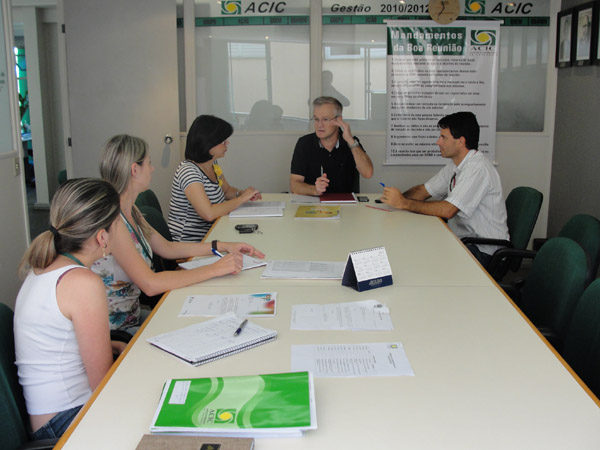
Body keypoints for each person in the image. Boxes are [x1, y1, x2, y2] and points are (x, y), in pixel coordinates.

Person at [95, 134, 264, 334]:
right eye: (149, 163)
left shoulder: (131, 210)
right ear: (134, 170)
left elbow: (166, 247)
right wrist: (214, 269)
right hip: (116, 331)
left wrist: (222, 246)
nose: (152, 169)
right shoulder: (114, 221)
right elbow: (150, 284)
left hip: (133, 316)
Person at [15, 178, 120, 439]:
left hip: (48, 415)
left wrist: (115, 347)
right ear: (102, 236)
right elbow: (103, 384)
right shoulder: (83, 283)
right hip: (65, 422)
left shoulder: (43, 266)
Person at [380, 112, 509, 266]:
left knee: (423, 259)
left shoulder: (477, 168)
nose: (438, 142)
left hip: (484, 250)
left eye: (444, 138)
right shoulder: (456, 164)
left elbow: (448, 210)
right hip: (465, 240)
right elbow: (425, 190)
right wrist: (398, 199)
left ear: (461, 141)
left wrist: (404, 203)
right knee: (416, 246)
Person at [168, 115, 262, 242]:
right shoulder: (189, 171)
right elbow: (208, 213)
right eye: (223, 141)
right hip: (191, 243)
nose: (227, 143)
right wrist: (241, 200)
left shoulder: (212, 164)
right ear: (208, 143)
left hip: (212, 233)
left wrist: (243, 193)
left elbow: (227, 191)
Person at [290, 96, 373, 195]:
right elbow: (294, 185)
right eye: (316, 119)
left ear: (338, 120)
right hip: (313, 205)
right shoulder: (304, 143)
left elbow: (368, 173)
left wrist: (350, 141)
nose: (319, 125)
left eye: (325, 119)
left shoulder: (352, 143)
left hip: (346, 206)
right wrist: (315, 190)